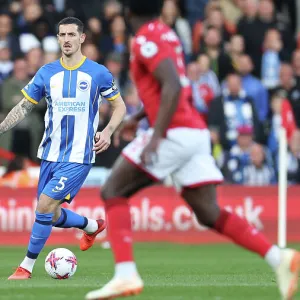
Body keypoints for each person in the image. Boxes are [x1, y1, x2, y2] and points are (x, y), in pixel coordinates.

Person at [85, 1, 300, 300]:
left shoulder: (146, 37)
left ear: (127, 11)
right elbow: (173, 88)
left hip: (174, 132)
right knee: (208, 212)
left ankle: (125, 274)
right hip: (193, 130)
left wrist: (157, 135)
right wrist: (138, 118)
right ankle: (280, 259)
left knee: (113, 191)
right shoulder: (167, 34)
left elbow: (172, 85)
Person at [0, 17, 126, 280]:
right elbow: (24, 106)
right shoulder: (46, 72)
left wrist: (108, 131)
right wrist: (1, 127)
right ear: (58, 39)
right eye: (62, 34)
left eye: (71, 34)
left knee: (45, 206)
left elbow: (120, 106)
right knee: (52, 213)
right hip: (49, 154)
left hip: (79, 156)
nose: (66, 39)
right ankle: (92, 226)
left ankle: (26, 267)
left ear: (82, 38)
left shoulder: (98, 72)